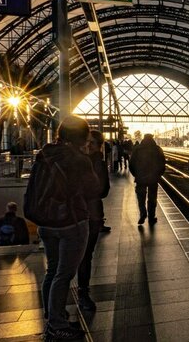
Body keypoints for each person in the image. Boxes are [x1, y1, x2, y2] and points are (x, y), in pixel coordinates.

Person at [29, 116, 100, 340]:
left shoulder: (45, 154)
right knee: (64, 274)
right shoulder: (78, 159)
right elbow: (94, 190)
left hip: (46, 222)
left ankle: (51, 316)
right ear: (82, 135)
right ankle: (56, 325)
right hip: (71, 223)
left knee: (51, 271)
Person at [77, 130, 110, 312]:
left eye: (93, 143)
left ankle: (82, 292)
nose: (89, 146)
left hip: (91, 216)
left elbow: (103, 189)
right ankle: (55, 310)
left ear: (99, 146)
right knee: (68, 261)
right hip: (82, 215)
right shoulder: (84, 161)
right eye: (87, 142)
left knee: (85, 256)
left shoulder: (97, 163)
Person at [129, 134, 165, 225]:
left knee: (141, 198)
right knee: (152, 198)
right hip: (153, 178)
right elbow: (163, 163)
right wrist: (158, 174)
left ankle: (143, 213)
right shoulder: (157, 149)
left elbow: (131, 163)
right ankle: (151, 217)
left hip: (140, 178)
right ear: (152, 138)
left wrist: (136, 174)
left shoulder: (137, 149)